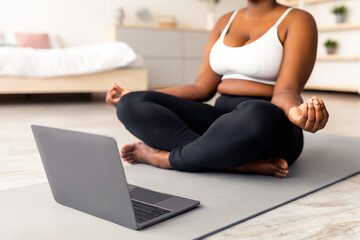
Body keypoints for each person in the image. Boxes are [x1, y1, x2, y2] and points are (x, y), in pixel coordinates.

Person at [105, 0, 329, 178]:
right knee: (131, 104)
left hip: (269, 122)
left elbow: (285, 91)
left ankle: (165, 159)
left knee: (254, 114)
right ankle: (235, 165)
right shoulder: (225, 21)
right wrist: (139, 97)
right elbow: (202, 87)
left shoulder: (298, 19)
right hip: (221, 120)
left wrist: (297, 114)